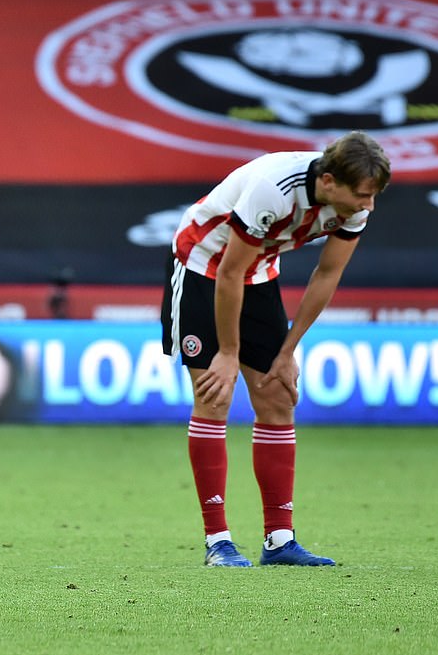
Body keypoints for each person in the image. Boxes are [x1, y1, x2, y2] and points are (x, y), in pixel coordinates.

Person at [160, 131, 390, 567]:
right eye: (362, 195)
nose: (369, 205)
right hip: (204, 266)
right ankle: (218, 542)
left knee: (277, 397)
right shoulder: (274, 188)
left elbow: (326, 276)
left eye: (374, 196)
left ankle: (279, 541)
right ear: (328, 182)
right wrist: (228, 354)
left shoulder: (354, 205)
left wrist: (287, 350)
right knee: (215, 394)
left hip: (258, 271)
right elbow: (228, 272)